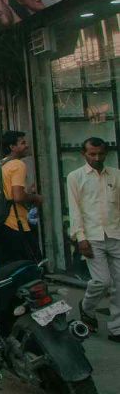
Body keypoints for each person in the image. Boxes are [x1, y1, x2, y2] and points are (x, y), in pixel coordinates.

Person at [67, 137, 120, 343]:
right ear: (84, 154)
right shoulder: (75, 177)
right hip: (91, 237)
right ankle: (87, 307)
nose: (97, 158)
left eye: (100, 154)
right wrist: (80, 238)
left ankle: (116, 328)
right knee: (102, 281)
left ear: (106, 153)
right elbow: (75, 209)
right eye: (92, 154)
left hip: (116, 234)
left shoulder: (115, 175)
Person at [0, 131, 41, 265]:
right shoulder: (18, 165)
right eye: (23, 143)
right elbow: (18, 196)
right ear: (12, 147)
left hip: (0, 224)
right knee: (29, 266)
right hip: (16, 224)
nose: (27, 146)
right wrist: (35, 197)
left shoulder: (1, 164)